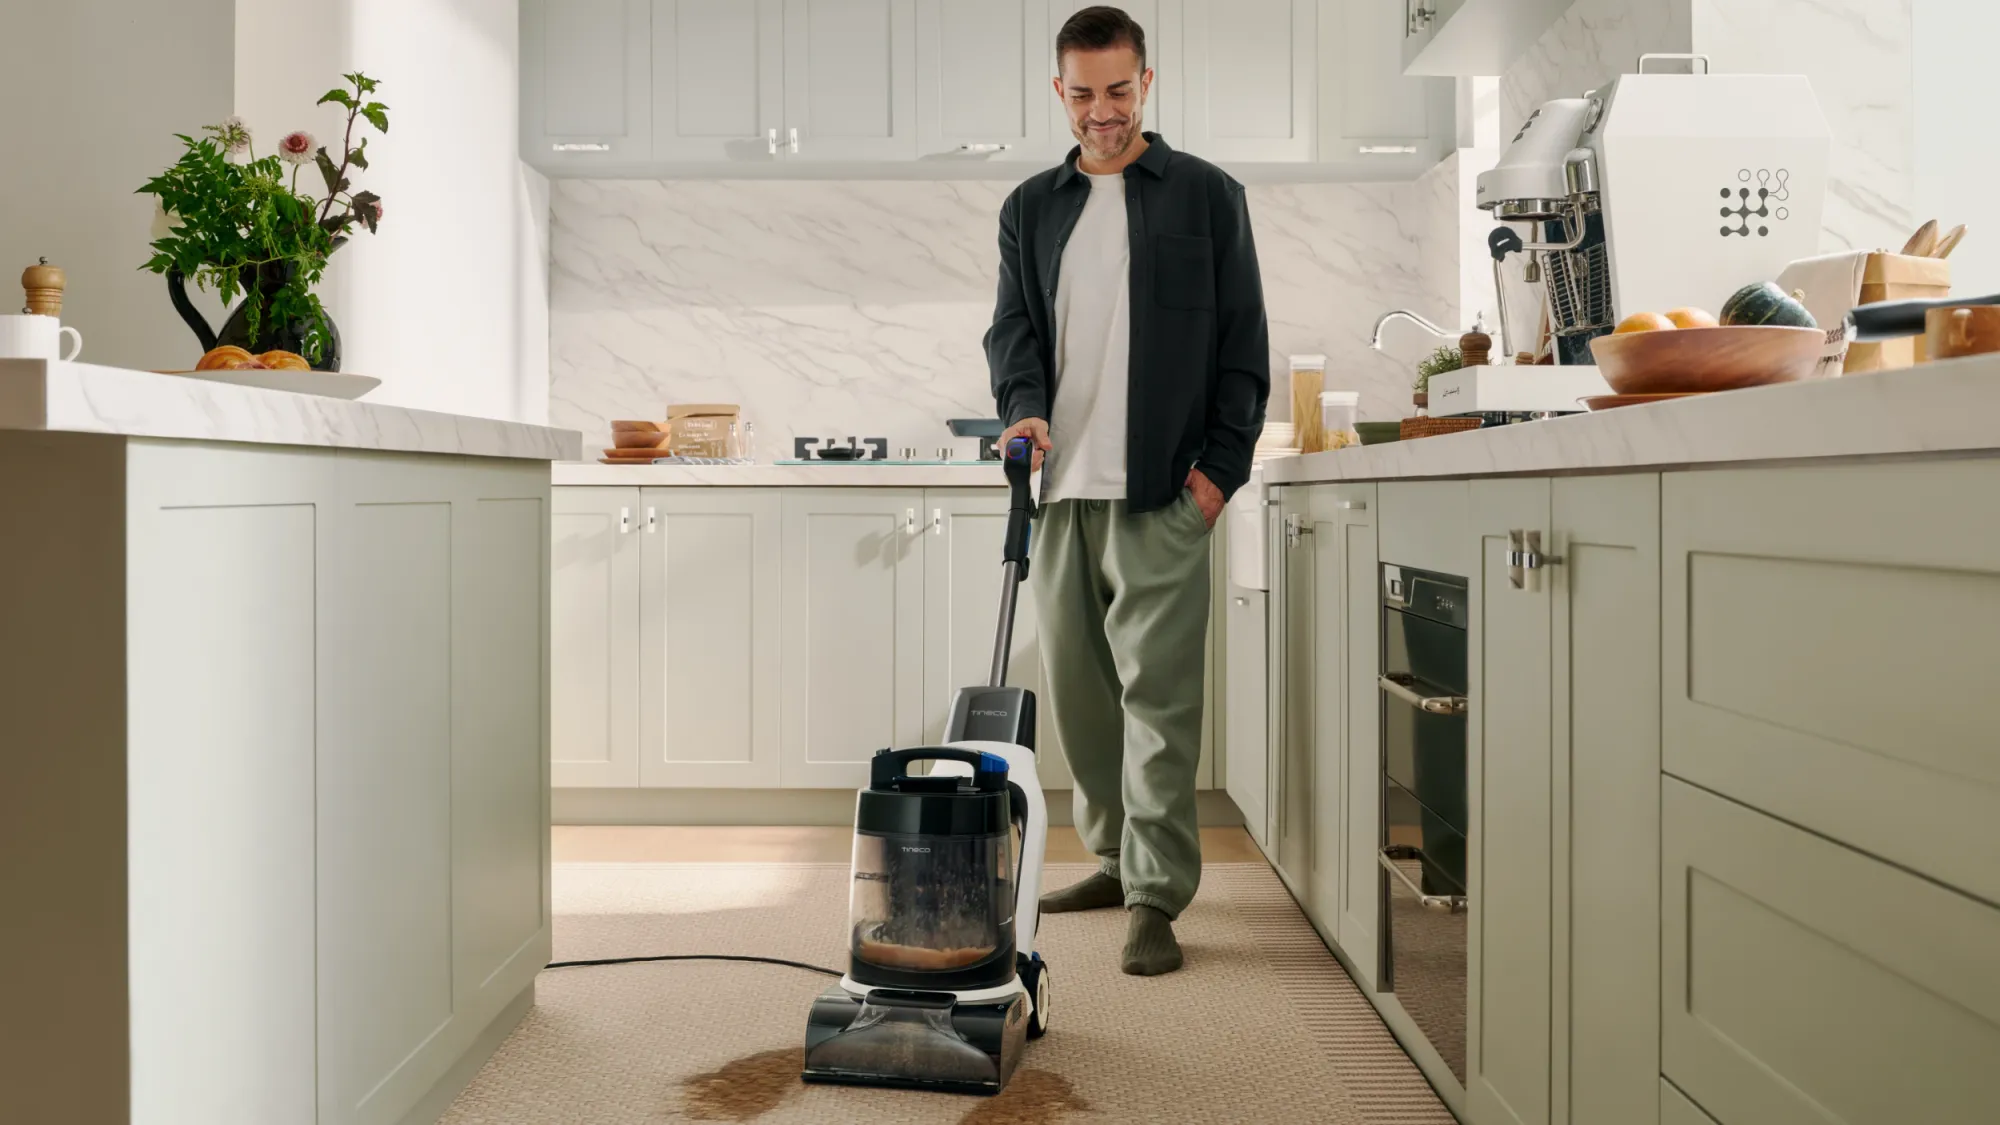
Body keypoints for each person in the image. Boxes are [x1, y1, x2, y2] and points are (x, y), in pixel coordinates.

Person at [983, 5, 1269, 976]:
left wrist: (1215, 477)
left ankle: (1155, 894)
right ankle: (1110, 858)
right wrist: (1020, 407)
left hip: (1161, 491)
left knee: (1158, 702)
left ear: (1146, 84)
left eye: (1115, 90)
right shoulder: (1030, 206)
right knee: (1081, 699)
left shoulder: (1204, 196)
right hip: (1060, 491)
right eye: (1080, 93)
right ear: (1056, 92)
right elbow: (1011, 331)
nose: (1099, 112)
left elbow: (1242, 349)